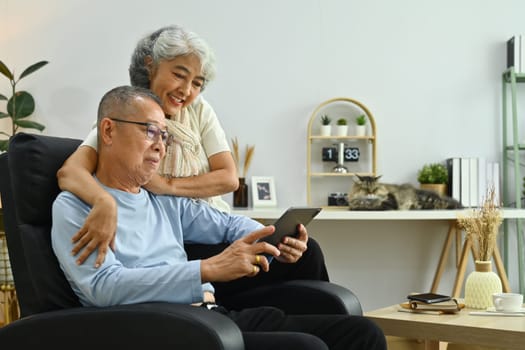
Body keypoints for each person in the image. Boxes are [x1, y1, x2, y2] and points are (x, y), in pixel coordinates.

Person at [51, 85, 386, 350]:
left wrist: (269, 237)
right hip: (163, 328)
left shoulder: (161, 200)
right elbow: (103, 288)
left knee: (361, 334)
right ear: (107, 131)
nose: (160, 146)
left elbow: (227, 224)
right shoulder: (74, 207)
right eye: (150, 131)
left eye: (164, 136)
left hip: (213, 316)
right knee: (306, 346)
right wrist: (207, 268)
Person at [56, 24, 330, 301]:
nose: (186, 90)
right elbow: (71, 171)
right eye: (178, 74)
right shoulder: (124, 115)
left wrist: (166, 186)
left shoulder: (198, 110)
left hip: (199, 219)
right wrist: (105, 202)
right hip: (181, 244)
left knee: (305, 253)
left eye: (197, 83)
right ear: (150, 66)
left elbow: (228, 178)